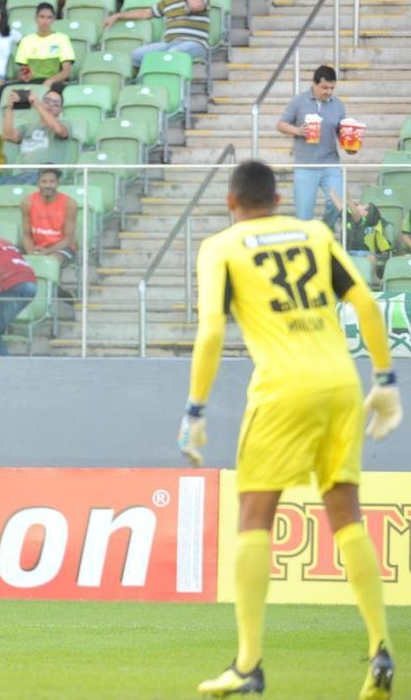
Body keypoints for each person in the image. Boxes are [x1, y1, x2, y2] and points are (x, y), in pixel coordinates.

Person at [179, 160, 400, 699]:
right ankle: (380, 648)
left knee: (254, 515)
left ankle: (249, 664)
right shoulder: (316, 232)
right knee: (346, 511)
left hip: (282, 389)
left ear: (231, 203)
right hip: (342, 383)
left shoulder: (221, 247)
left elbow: (210, 331)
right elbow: (366, 303)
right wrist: (387, 378)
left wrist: (196, 408)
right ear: (278, 198)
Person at [277, 65, 346, 230]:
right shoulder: (299, 101)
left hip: (330, 163)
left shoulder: (338, 105)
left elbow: (342, 132)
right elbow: (281, 124)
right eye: (324, 87)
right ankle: (307, 244)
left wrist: (350, 145)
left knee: (338, 203)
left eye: (332, 88)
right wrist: (298, 130)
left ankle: (324, 231)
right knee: (304, 215)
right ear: (314, 84)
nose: (328, 92)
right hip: (306, 165)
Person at [104, 0, 208, 69]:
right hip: (170, 43)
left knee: (172, 54)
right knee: (137, 54)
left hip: (195, 43)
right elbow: (145, 13)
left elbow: (195, 6)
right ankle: (146, 82)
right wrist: (118, 15)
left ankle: (169, 83)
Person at [2, 87, 72, 172]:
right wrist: (9, 108)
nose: (50, 105)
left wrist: (38, 105)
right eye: (47, 101)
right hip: (24, 176)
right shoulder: (27, 127)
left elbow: (58, 130)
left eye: (56, 104)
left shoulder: (65, 125)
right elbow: (7, 136)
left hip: (47, 177)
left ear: (60, 110)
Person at [21, 167, 77, 264]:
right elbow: (26, 235)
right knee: (10, 256)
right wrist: (30, 252)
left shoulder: (69, 203)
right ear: (38, 183)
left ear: (58, 183)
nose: (48, 185)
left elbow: (68, 239)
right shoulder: (27, 202)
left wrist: (46, 252)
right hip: (36, 246)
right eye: (44, 182)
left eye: (52, 182)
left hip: (60, 247)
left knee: (51, 260)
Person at [13, 2, 74, 89]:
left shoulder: (62, 39)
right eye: (42, 17)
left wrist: (50, 81)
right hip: (33, 81)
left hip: (53, 82)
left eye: (49, 17)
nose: (45, 21)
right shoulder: (26, 41)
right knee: (2, 90)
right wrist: (24, 76)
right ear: (36, 19)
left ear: (53, 20)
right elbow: (24, 70)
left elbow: (66, 72)